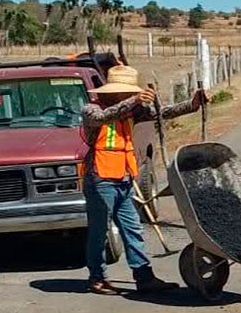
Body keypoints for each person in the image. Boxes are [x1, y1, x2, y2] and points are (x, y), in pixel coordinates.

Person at [81, 65, 207, 294]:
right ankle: (97, 278)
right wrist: (134, 101)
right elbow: (103, 117)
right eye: (127, 93)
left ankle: (144, 277)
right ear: (115, 93)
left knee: (133, 229)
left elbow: (163, 112)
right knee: (100, 232)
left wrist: (193, 104)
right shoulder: (91, 109)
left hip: (123, 178)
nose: (130, 96)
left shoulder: (132, 111)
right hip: (100, 178)